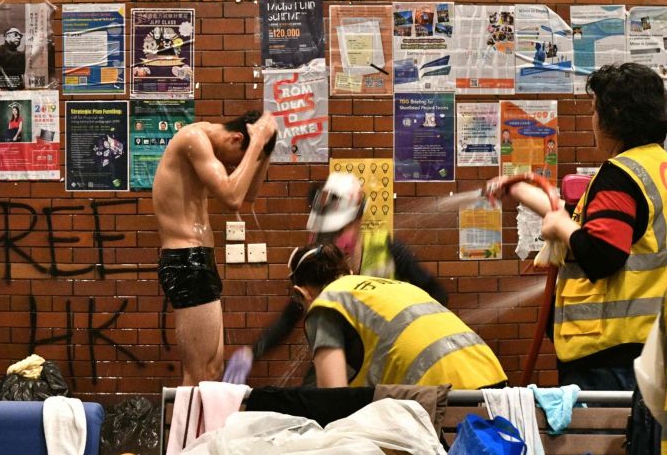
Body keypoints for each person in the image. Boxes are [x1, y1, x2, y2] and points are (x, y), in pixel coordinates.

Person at [484, 62, 667, 391]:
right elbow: (591, 220)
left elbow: (602, 252)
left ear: (615, 115)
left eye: (595, 110)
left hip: (609, 354)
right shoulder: (655, 167)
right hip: (647, 348)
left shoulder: (620, 175)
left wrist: (561, 230)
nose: (592, 121)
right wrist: (522, 192)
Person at [224, 172, 449, 385]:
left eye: (340, 230)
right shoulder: (320, 261)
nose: (332, 239)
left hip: (386, 358)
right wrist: (252, 351)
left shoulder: (389, 251)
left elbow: (437, 295)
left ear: (358, 220)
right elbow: (290, 316)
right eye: (327, 233)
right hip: (343, 354)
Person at [153, 110, 277, 385]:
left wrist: (266, 148)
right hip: (185, 260)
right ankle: (181, 430)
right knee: (198, 374)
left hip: (199, 260)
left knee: (211, 371)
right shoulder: (193, 138)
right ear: (236, 138)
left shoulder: (208, 145)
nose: (234, 169)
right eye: (237, 160)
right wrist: (257, 141)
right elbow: (233, 197)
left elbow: (250, 194)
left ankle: (196, 429)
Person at [289, 243, 507, 389]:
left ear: (302, 293)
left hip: (446, 396)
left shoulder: (327, 302)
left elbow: (332, 399)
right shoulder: (389, 286)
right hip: (496, 383)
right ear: (350, 273)